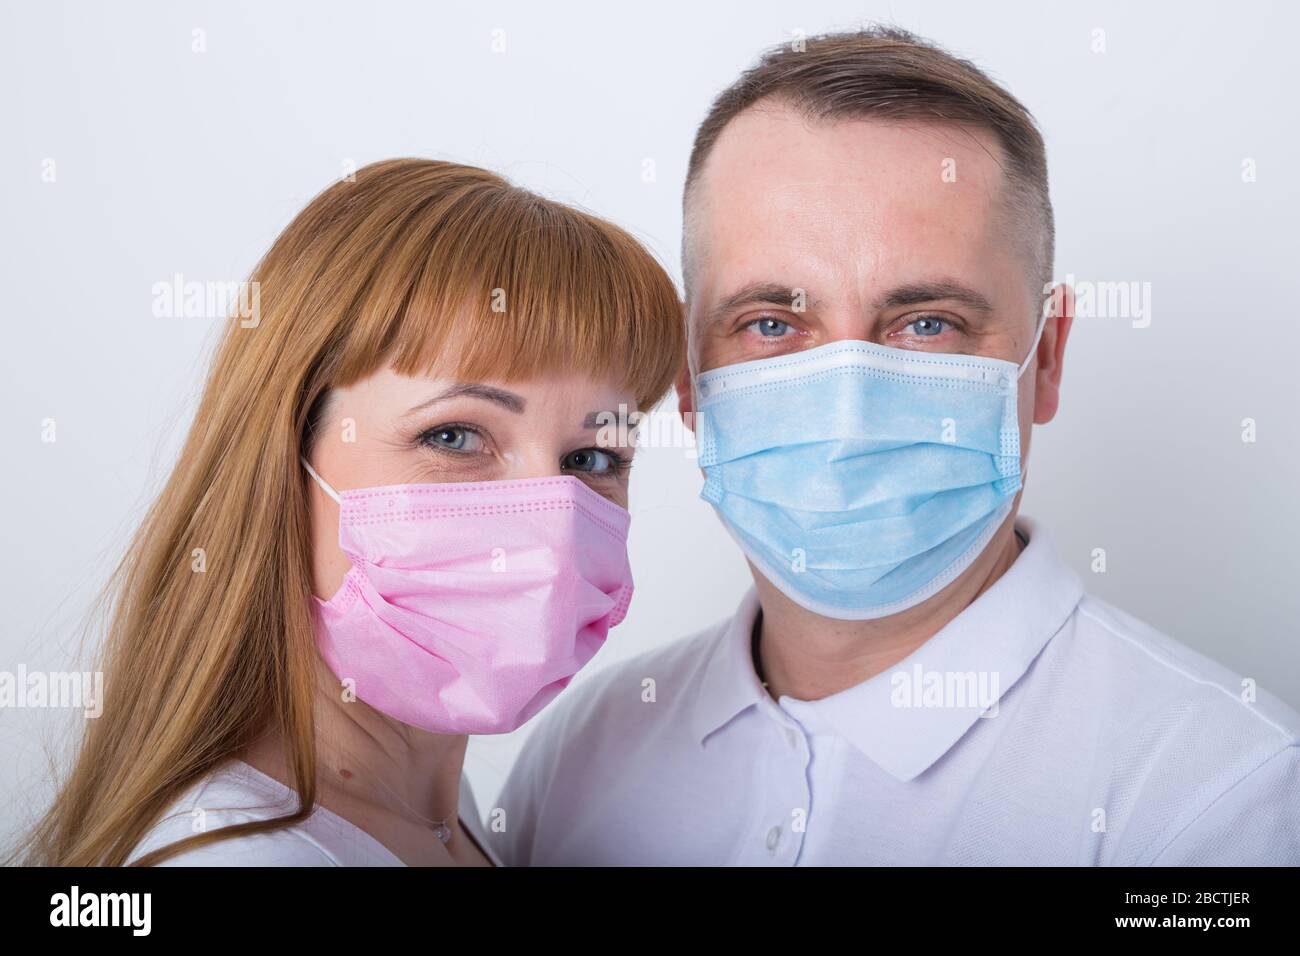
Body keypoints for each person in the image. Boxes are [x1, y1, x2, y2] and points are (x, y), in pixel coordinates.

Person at [494, 27, 1300, 866]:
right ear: (691, 380)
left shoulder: (1220, 802)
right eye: (771, 324)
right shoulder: (577, 761)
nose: (847, 403)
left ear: (1047, 358)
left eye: (926, 324)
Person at [15, 158, 684, 866]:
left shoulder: (439, 819)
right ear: (284, 459)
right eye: (454, 437)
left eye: (592, 458)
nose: (552, 523)